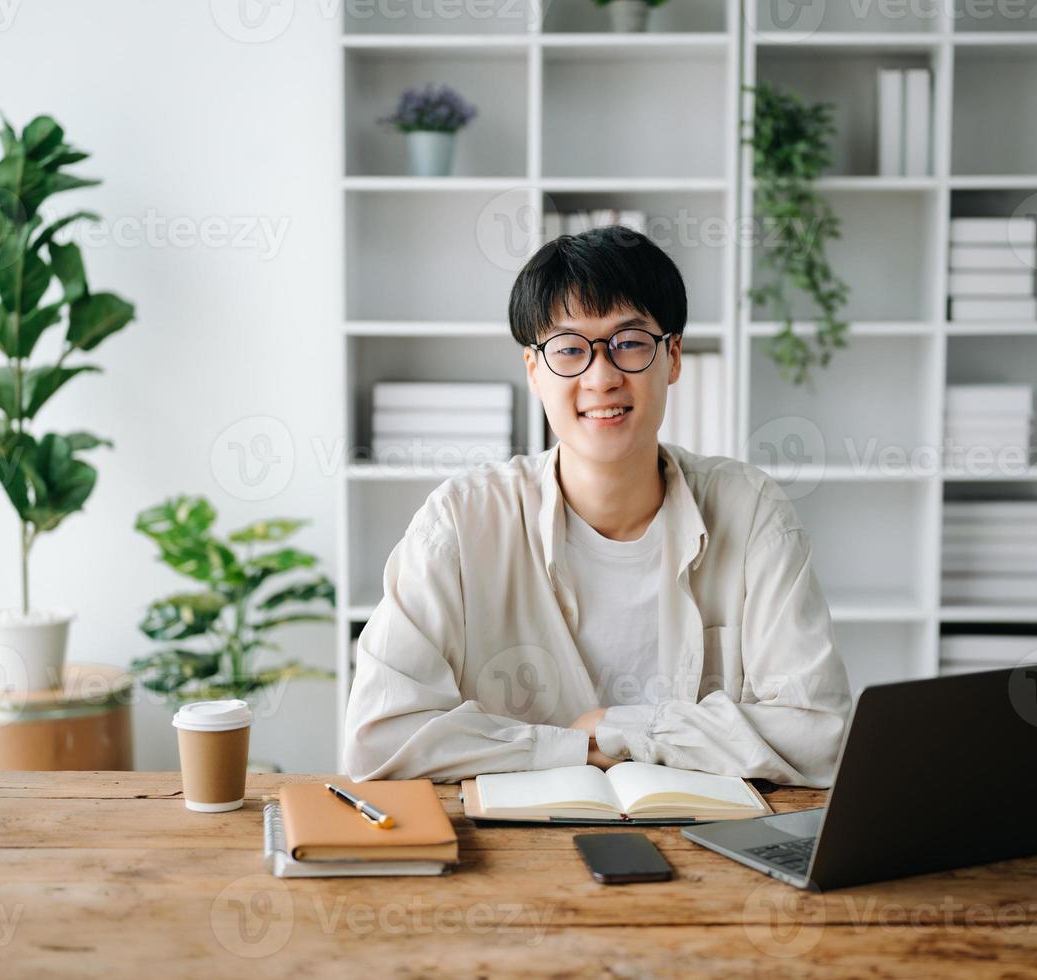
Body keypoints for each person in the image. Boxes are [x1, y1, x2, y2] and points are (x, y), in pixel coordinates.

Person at [342, 226, 851, 786]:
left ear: (673, 357)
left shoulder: (751, 513)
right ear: (535, 371)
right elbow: (378, 738)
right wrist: (569, 749)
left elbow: (819, 734)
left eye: (629, 342)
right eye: (568, 349)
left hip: (707, 844)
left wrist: (622, 730)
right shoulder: (461, 522)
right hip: (510, 856)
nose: (601, 376)